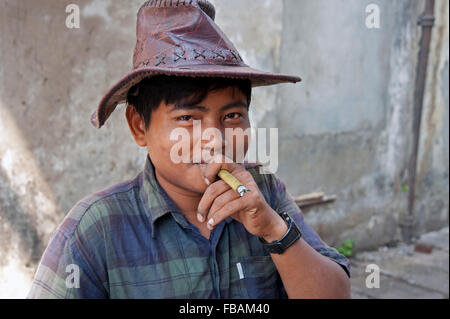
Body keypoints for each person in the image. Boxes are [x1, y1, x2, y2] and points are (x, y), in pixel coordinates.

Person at [28, 0, 350, 299]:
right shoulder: (96, 230)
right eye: (187, 118)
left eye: (233, 116)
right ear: (140, 126)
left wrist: (273, 229)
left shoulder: (265, 193)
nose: (215, 139)